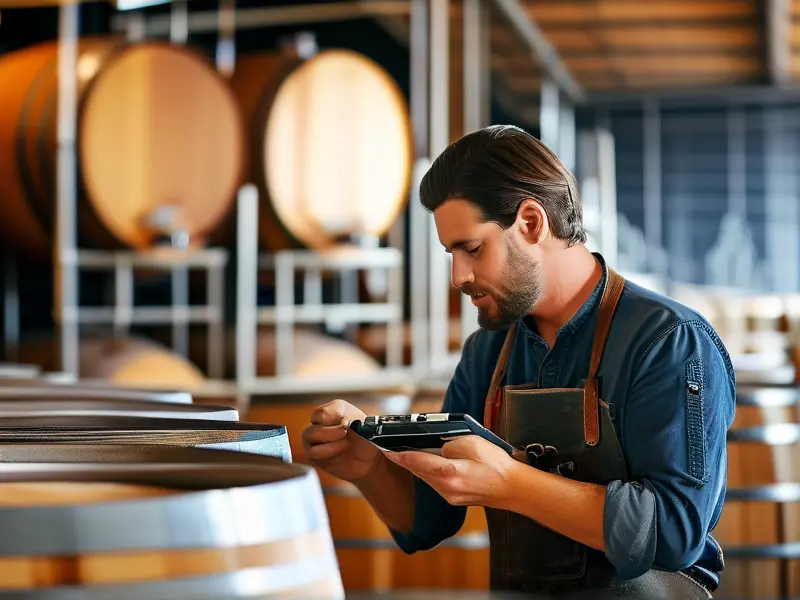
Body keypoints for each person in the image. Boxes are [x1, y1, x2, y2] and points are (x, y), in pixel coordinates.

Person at [302, 125, 735, 599]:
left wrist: (510, 481)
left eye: (472, 249)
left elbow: (673, 532)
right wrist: (370, 468)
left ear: (531, 222)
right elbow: (427, 522)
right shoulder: (487, 352)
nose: (458, 276)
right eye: (451, 253)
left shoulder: (669, 341)